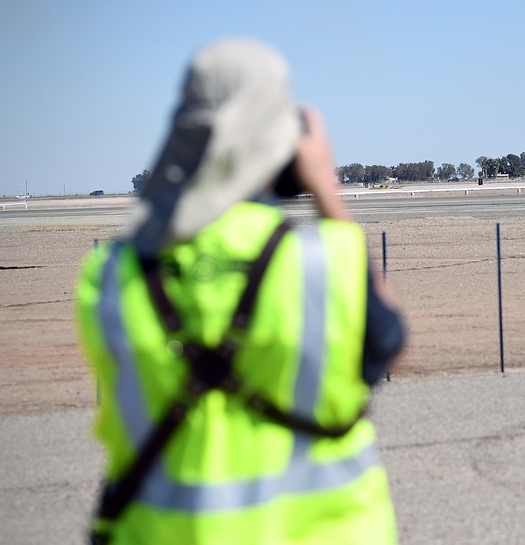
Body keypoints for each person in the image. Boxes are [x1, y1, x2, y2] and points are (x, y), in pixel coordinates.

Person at [74, 38, 404, 544]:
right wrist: (326, 192)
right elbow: (386, 347)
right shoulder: (322, 262)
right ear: (285, 140)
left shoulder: (112, 276)